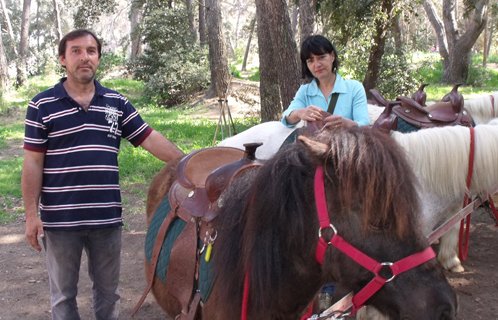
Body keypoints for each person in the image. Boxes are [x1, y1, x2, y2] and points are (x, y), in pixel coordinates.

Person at [21, 29, 185, 320]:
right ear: (62, 59)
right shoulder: (42, 105)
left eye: (91, 51)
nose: (84, 57)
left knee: (109, 295)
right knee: (63, 297)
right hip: (60, 222)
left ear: (98, 57)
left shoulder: (116, 102)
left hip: (106, 219)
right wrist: (32, 216)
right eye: (76, 51)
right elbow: (33, 163)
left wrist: (190, 161)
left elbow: (149, 138)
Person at [282, 35, 369, 130]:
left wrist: (347, 124)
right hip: (315, 144)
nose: (317, 65)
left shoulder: (354, 88)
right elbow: (287, 119)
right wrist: (299, 112)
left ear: (332, 56)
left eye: (321, 57)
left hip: (347, 143)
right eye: (310, 61)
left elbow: (365, 125)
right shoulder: (305, 91)